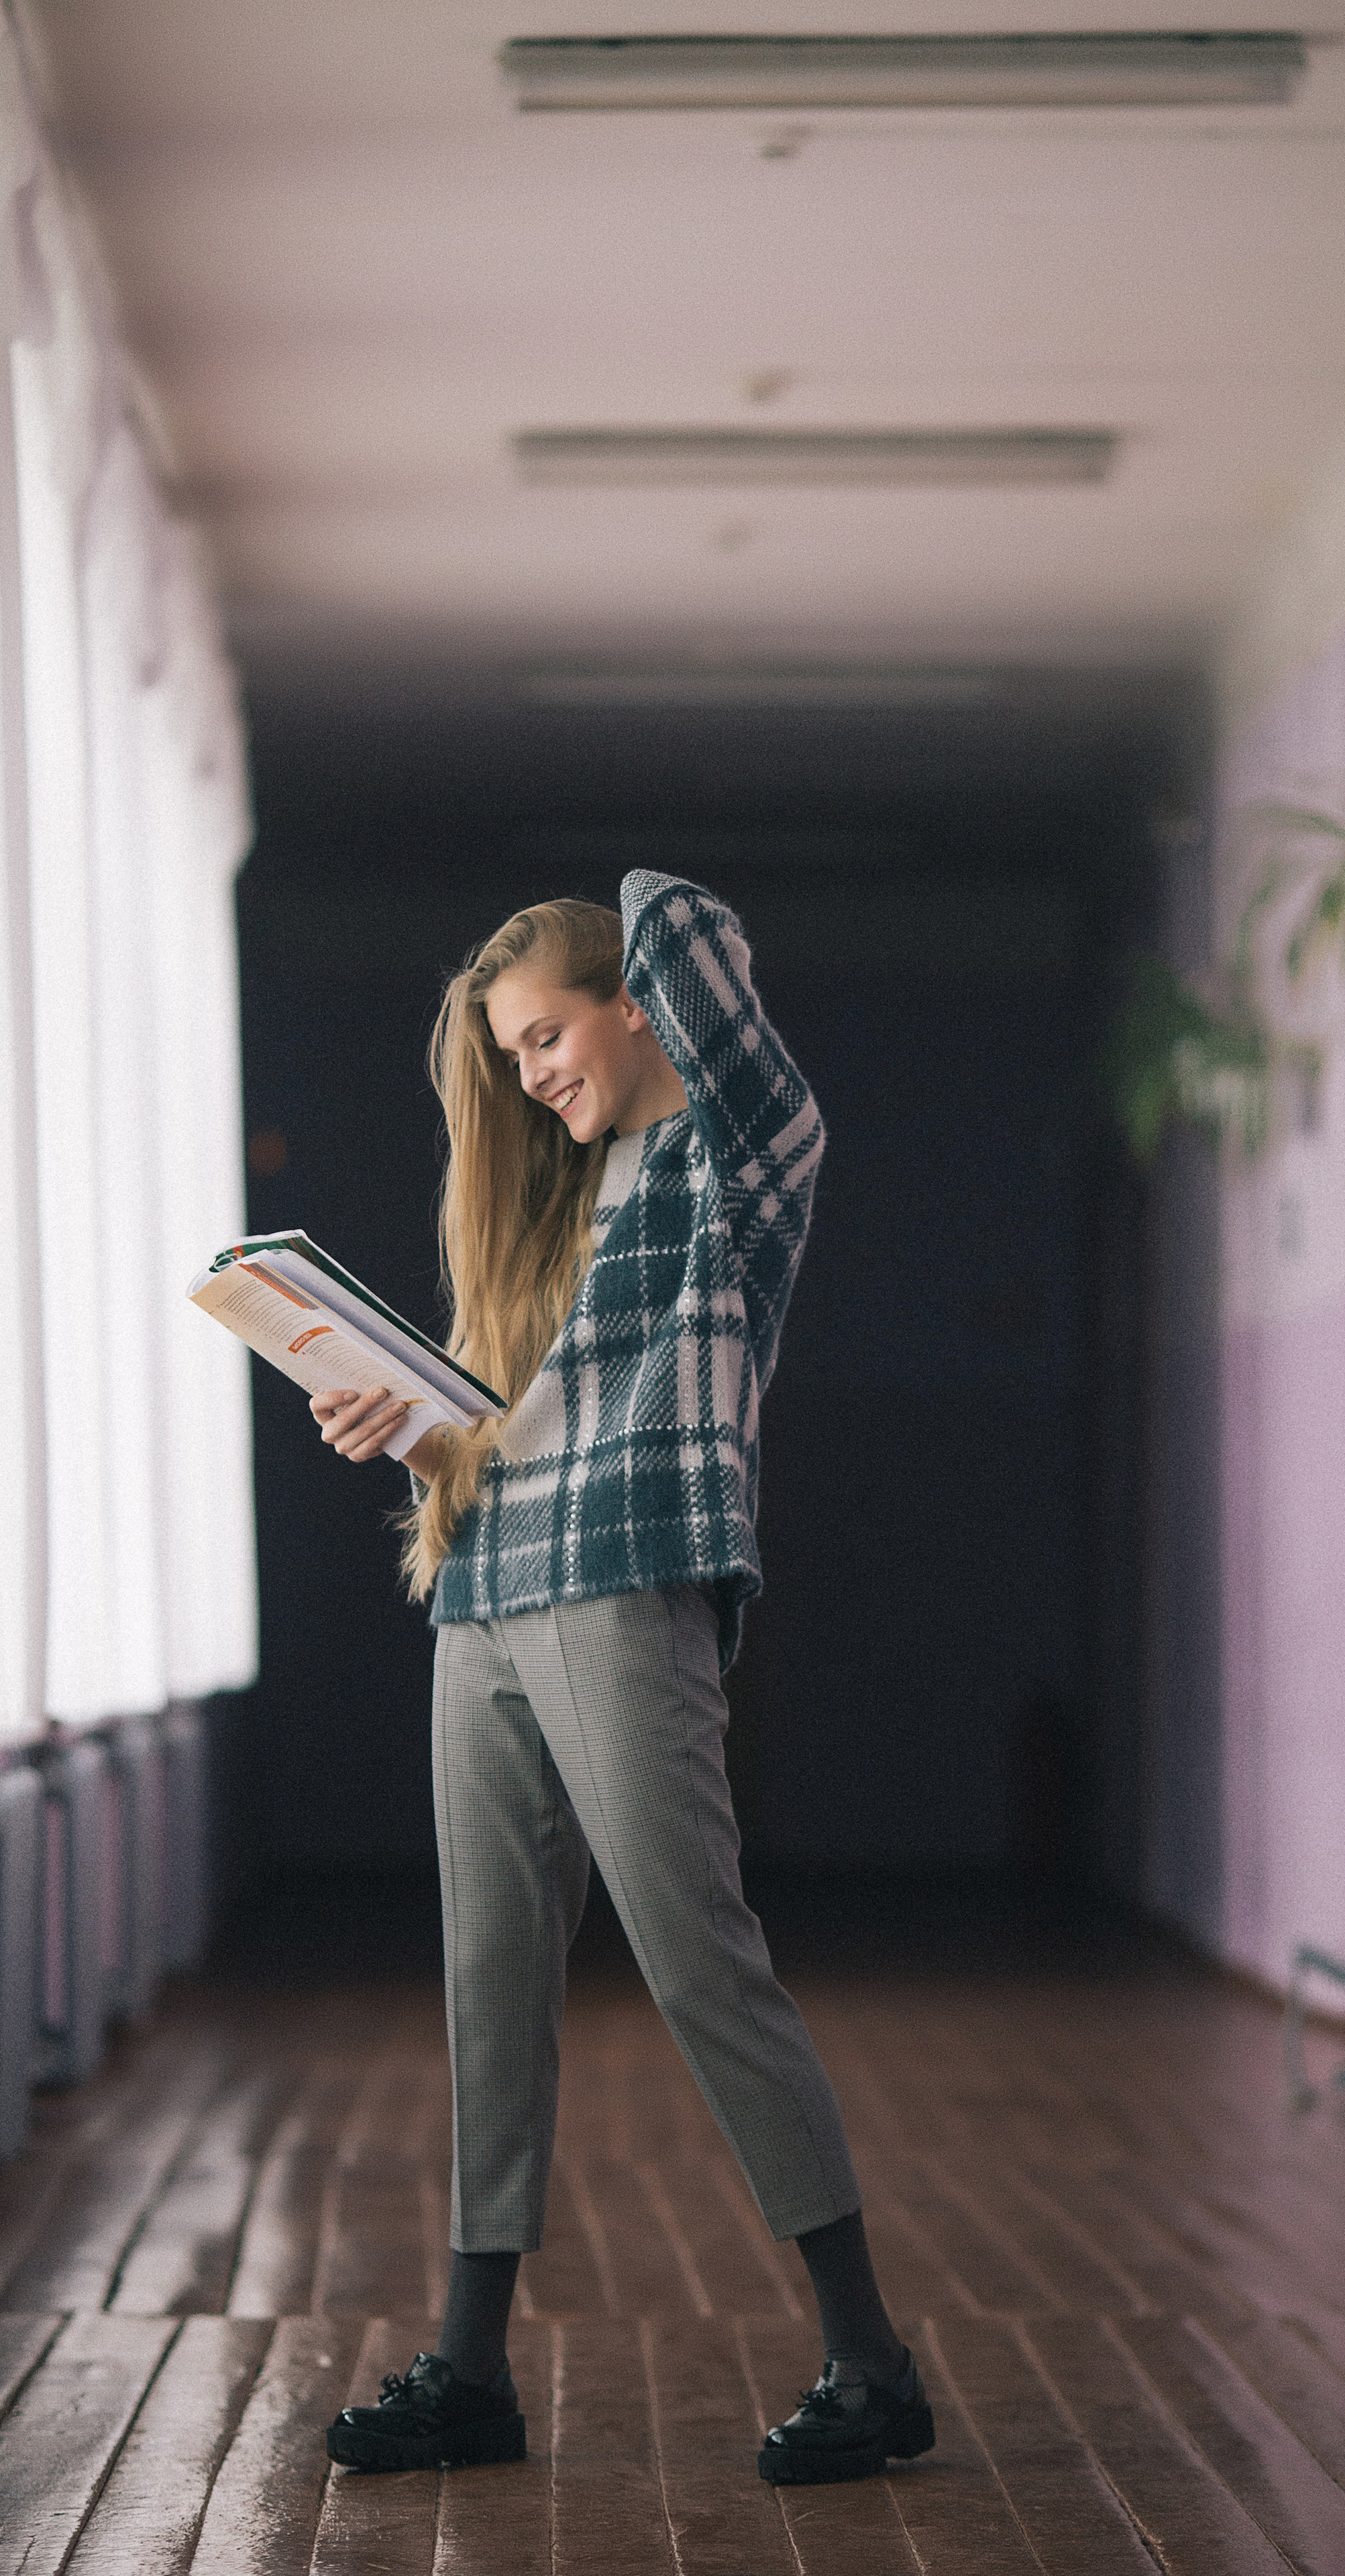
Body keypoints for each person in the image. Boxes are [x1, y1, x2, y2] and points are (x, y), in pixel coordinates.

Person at [309, 871, 932, 2488]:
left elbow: (684, 921)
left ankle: (868, 2359)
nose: (529, 1077)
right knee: (490, 1987)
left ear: (632, 1004)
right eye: (505, 1056)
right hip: (485, 1591)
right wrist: (405, 1414)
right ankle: (468, 2369)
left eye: (543, 1035)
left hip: (619, 1591)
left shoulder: (737, 1158)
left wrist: (623, 948)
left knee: (696, 1963)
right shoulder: (556, 1206)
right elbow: (527, 1419)